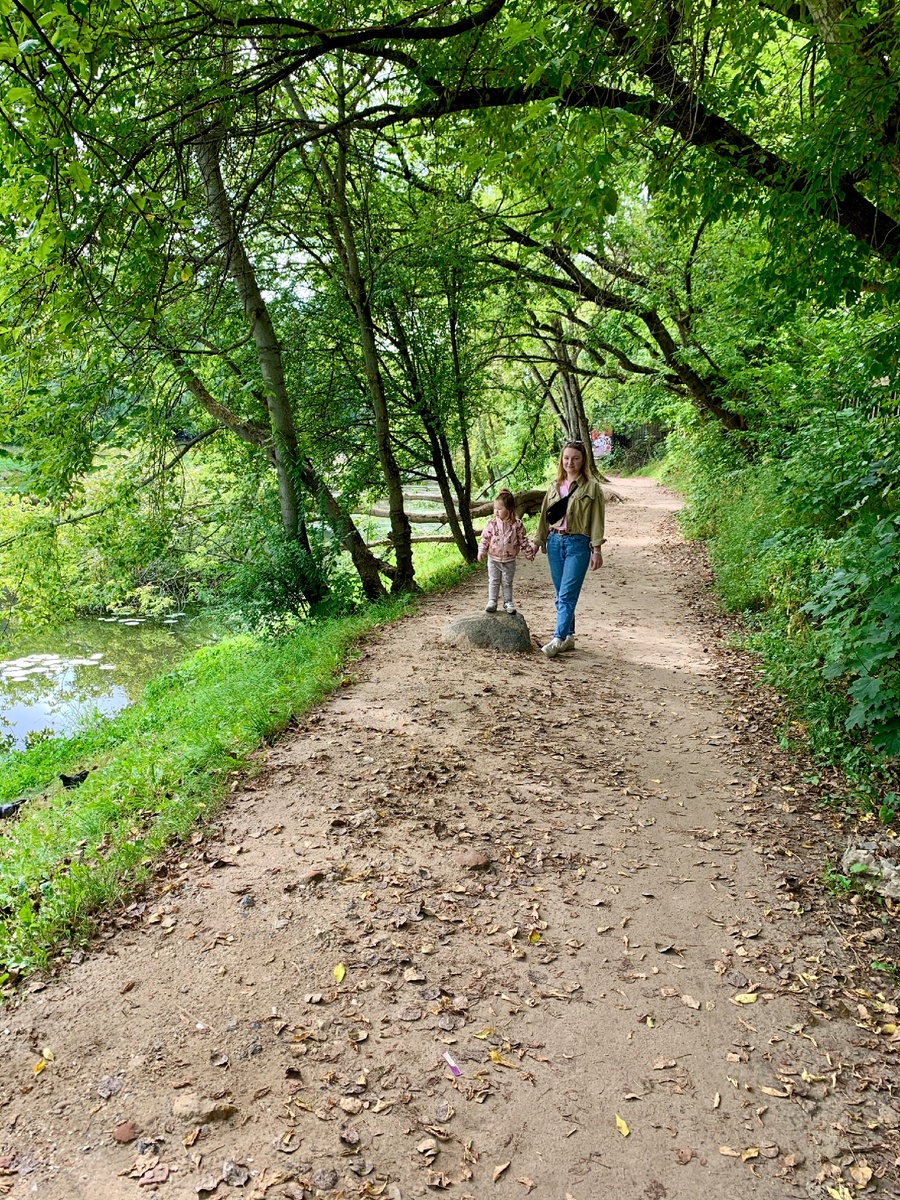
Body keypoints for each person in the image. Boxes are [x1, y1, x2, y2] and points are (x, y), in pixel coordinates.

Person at [533, 440, 605, 656]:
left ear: (583, 461)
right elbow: (545, 517)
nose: (570, 462)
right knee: (560, 594)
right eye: (566, 458)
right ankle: (569, 637)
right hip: (555, 543)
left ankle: (557, 638)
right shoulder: (555, 486)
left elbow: (597, 521)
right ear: (561, 460)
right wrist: (538, 542)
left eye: (575, 458)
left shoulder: (592, 488)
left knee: (566, 595)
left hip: (578, 545)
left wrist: (597, 549)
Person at [477, 489, 535, 614]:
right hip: (493, 558)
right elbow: (485, 538)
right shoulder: (491, 523)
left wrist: (529, 552)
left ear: (509, 509)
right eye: (495, 509)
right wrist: (481, 551)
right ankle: (492, 601)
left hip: (509, 560)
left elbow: (523, 540)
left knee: (507, 582)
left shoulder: (517, 525)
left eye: (500, 509)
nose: (496, 512)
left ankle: (508, 601)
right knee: (493, 580)